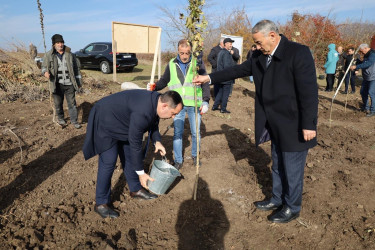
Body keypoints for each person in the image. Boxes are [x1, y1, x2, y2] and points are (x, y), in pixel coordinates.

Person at [193, 20, 318, 223]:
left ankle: (292, 207)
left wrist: (309, 124)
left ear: (272, 36)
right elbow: (238, 70)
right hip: (274, 122)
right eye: (256, 44)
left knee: (292, 169)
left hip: (294, 124)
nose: (257, 47)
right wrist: (208, 78)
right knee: (278, 165)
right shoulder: (260, 57)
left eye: (259, 43)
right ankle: (277, 199)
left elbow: (309, 92)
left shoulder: (297, 52)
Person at [82, 90, 183, 218]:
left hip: (122, 122)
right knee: (109, 161)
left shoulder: (156, 101)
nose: (173, 117)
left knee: (129, 156)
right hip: (105, 120)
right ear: (164, 106)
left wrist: (157, 141)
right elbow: (135, 142)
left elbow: (153, 123)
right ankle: (101, 204)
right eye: (173, 113)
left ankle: (136, 189)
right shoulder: (142, 111)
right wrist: (141, 173)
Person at [148, 39, 210, 170]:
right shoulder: (171, 63)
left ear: (191, 51)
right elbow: (165, 80)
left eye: (187, 53)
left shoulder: (197, 62)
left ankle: (195, 156)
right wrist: (155, 86)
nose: (185, 56)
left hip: (194, 103)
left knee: (195, 132)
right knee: (178, 133)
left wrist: (205, 100)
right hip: (177, 106)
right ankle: (178, 160)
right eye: (182, 53)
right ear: (178, 51)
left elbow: (204, 81)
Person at [42, 34, 82, 128]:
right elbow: (44, 67)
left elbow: (76, 69)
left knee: (72, 103)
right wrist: (45, 73)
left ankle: (74, 121)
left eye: (62, 42)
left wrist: (79, 82)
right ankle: (61, 119)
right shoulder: (48, 55)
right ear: (54, 45)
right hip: (56, 84)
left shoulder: (70, 54)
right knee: (58, 103)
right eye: (58, 43)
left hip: (70, 83)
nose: (60, 44)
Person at [211, 38, 236, 113]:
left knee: (220, 91)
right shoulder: (226, 53)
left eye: (231, 43)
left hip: (221, 76)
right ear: (225, 44)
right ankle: (223, 109)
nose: (231, 44)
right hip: (226, 77)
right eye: (229, 43)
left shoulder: (221, 52)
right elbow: (227, 66)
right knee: (226, 93)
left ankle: (215, 107)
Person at [350, 44, 375, 117]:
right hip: (366, 77)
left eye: (362, 51)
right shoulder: (366, 54)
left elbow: (368, 64)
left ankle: (373, 110)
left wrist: (356, 67)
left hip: (373, 77)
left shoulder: (372, 54)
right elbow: (363, 63)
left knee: (371, 93)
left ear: (365, 48)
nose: (361, 53)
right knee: (363, 92)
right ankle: (365, 107)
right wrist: (357, 60)